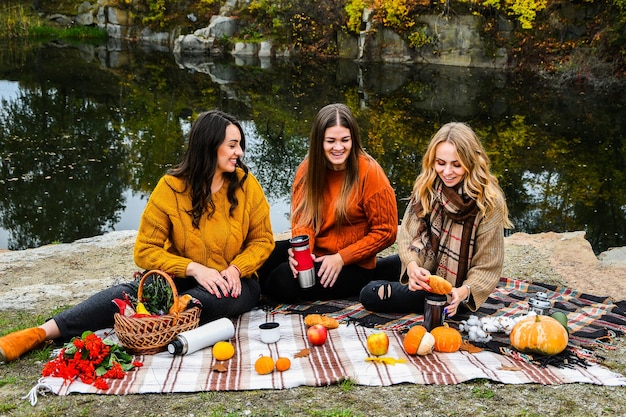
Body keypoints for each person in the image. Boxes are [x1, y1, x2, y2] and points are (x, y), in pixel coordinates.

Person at [0, 110, 275, 363]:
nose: (239, 152)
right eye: (232, 144)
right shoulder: (171, 188)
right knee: (126, 294)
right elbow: (145, 251)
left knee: (210, 299)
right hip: (181, 278)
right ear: (209, 145)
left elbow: (263, 240)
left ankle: (157, 321)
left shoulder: (246, 185)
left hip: (235, 282)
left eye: (239, 144)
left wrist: (236, 269)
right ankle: (39, 333)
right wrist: (193, 268)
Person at [359, 122, 513, 317]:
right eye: (441, 163)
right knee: (369, 269)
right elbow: (408, 234)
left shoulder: (489, 203)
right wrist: (413, 267)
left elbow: (487, 267)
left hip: (453, 290)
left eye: (456, 165)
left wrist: (463, 292)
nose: (447, 172)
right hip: (424, 264)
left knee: (370, 294)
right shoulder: (428, 186)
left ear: (471, 162)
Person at [259, 103, 398, 303]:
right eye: (331, 141)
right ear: (319, 142)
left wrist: (341, 258)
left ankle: (377, 274)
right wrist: (302, 255)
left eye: (345, 140)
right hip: (317, 251)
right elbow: (303, 221)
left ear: (354, 140)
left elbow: (386, 232)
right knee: (264, 256)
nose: (338, 147)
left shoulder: (370, 172)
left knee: (282, 280)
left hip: (353, 263)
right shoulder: (307, 170)